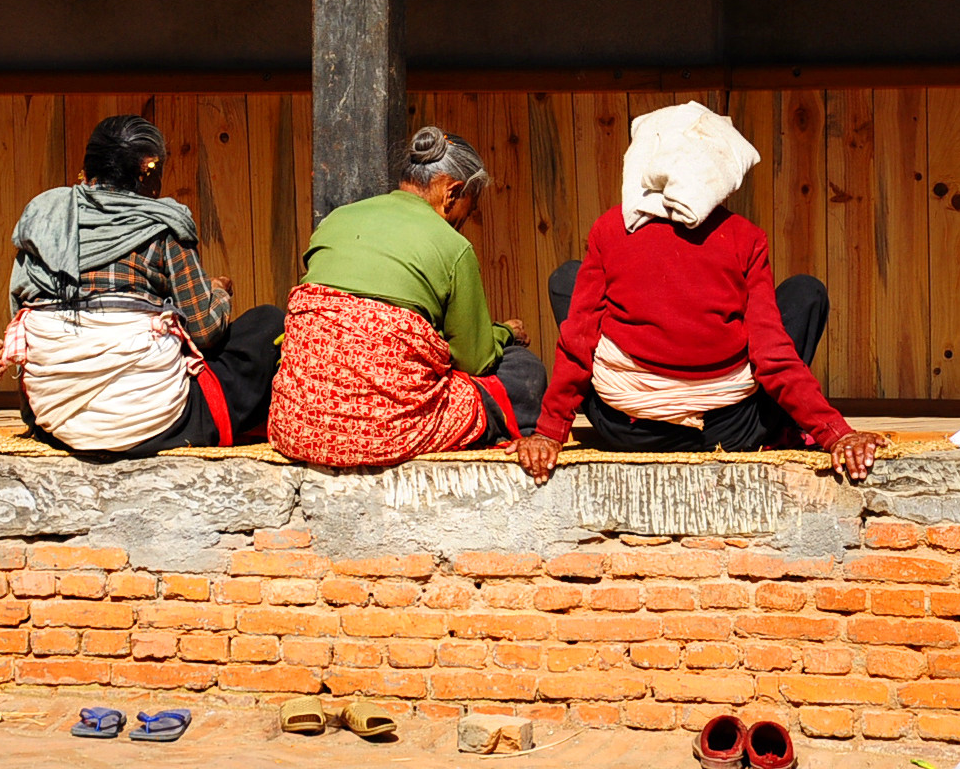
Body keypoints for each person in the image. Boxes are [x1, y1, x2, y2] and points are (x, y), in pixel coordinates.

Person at [513, 101, 886, 484]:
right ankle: (788, 425)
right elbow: (771, 355)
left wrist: (549, 432)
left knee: (567, 280)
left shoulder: (609, 229)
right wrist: (835, 432)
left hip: (626, 432)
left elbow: (579, 342)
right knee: (805, 292)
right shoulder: (746, 237)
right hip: (732, 432)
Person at [269, 127, 546, 468]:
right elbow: (474, 362)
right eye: (469, 210)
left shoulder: (336, 220)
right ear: (453, 193)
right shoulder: (453, 246)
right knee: (522, 368)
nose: (464, 222)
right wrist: (504, 332)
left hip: (299, 427)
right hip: (387, 432)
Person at [7, 115, 284, 455]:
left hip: (56, 420)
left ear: (89, 168)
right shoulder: (162, 225)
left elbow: (21, 307)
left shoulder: (43, 222)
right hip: (155, 422)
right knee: (267, 323)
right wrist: (220, 293)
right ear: (147, 174)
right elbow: (205, 330)